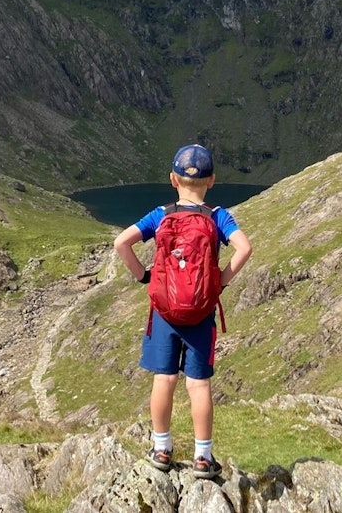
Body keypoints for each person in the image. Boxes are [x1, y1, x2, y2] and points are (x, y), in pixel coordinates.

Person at [112, 143, 253, 479]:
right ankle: (203, 457)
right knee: (198, 385)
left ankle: (161, 449)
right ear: (212, 180)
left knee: (165, 378)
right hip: (201, 311)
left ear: (172, 179)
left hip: (165, 311)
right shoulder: (218, 216)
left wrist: (145, 276)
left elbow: (121, 242)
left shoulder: (161, 215)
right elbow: (245, 248)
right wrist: (220, 281)